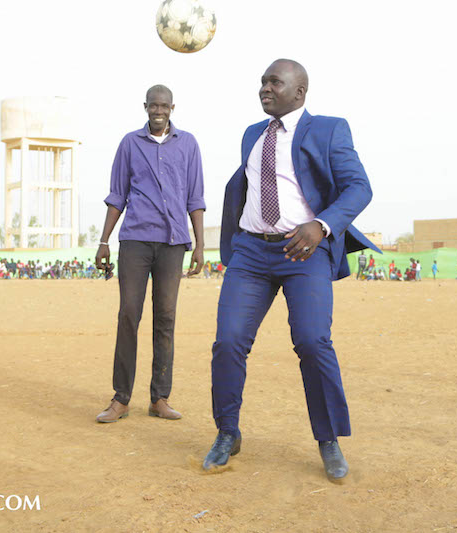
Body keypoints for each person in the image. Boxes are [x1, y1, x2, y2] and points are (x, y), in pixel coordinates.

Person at [203, 59, 379, 483]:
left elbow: (360, 187)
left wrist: (321, 225)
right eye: (263, 81)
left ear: (299, 92)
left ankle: (329, 439)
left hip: (304, 250)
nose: (265, 88)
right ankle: (227, 432)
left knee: (313, 341)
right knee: (228, 342)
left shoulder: (329, 129)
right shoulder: (252, 134)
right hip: (251, 252)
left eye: (275, 82)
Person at [95, 85, 205, 424]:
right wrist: (103, 241)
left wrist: (200, 244)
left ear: (172, 107)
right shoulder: (130, 143)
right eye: (152, 105)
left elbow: (195, 197)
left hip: (173, 244)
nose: (158, 111)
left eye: (163, 105)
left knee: (166, 317)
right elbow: (117, 195)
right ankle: (121, 398)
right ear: (145, 107)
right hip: (136, 241)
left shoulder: (188, 145)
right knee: (129, 313)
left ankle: (160, 397)